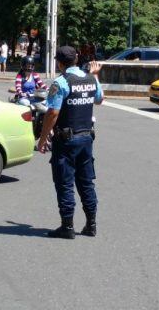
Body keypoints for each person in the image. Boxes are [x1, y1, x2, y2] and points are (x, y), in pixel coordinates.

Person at [37, 46, 104, 239]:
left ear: (59, 62)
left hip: (66, 141)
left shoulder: (61, 82)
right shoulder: (91, 79)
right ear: (76, 59)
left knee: (65, 183)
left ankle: (67, 227)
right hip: (86, 138)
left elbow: (53, 112)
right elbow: (99, 100)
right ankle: (91, 225)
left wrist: (43, 138)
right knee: (86, 182)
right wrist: (96, 76)